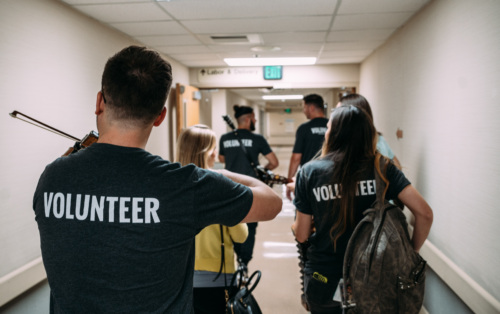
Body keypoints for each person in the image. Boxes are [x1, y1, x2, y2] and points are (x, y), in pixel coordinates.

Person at [32, 46, 282, 313]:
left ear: (99, 102)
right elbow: (272, 203)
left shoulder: (53, 176)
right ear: (160, 116)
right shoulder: (185, 184)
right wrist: (221, 174)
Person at [292, 105, 433, 313]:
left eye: (329, 127)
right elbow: (425, 214)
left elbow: (302, 234)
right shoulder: (382, 167)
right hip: (373, 278)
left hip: (324, 278)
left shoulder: (309, 172)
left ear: (334, 134)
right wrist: (411, 253)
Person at [175, 124, 248, 313]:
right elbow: (241, 235)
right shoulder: (222, 186)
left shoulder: (171, 184)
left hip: (176, 279)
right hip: (216, 279)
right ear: (209, 153)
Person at [219, 105, 279, 273]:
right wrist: (260, 172)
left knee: (230, 223)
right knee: (250, 227)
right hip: (251, 191)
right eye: (254, 118)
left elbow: (222, 158)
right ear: (247, 119)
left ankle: (234, 257)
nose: (255, 121)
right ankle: (244, 263)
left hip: (228, 188)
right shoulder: (258, 139)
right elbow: (274, 162)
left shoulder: (224, 138)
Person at [336, 93, 402, 169]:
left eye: (338, 113)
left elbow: (397, 166)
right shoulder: (377, 138)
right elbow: (397, 165)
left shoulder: (377, 142)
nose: (335, 117)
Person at [286, 94, 328, 200]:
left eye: (304, 107)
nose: (303, 111)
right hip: (330, 177)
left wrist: (289, 180)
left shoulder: (304, 129)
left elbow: (296, 158)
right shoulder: (333, 126)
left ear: (311, 108)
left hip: (308, 178)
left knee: (305, 209)